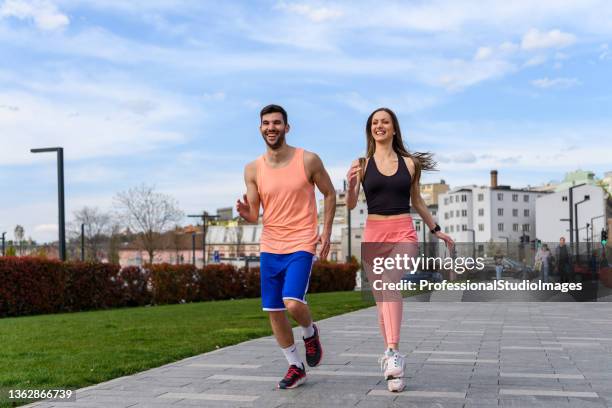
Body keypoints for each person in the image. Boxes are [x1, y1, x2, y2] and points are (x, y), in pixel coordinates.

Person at [345, 107, 454, 392]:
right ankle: (393, 368)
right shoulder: (361, 163)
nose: (379, 126)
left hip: (404, 231)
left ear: (394, 129)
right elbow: (351, 204)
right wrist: (352, 185)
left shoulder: (410, 164)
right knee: (382, 299)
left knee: (391, 285)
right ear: (370, 129)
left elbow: (417, 201)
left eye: (385, 122)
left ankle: (393, 352)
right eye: (375, 122)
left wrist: (436, 229)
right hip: (373, 234)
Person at [236, 104, 336, 389]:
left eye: (277, 123)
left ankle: (309, 331)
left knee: (292, 301)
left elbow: (329, 193)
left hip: (301, 241)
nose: (271, 128)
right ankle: (295, 366)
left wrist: (326, 232)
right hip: (270, 245)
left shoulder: (308, 160)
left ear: (286, 127)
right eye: (266, 123)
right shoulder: (253, 169)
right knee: (274, 309)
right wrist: (246, 214)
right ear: (260, 128)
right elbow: (255, 213)